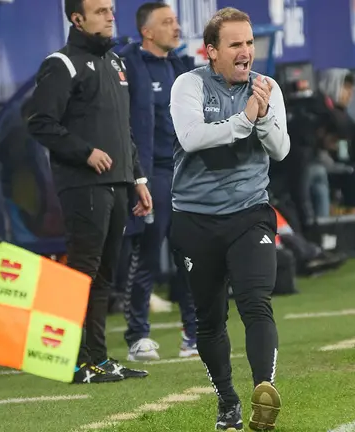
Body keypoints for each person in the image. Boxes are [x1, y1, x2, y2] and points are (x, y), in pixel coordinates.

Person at [169, 7, 290, 431]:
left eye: (250, 43)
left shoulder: (266, 88)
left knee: (256, 303)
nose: (246, 52)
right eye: (235, 44)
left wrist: (263, 118)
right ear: (212, 52)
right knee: (209, 318)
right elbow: (192, 137)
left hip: (250, 215)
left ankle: (264, 392)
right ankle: (226, 399)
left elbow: (280, 149)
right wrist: (244, 120)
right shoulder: (188, 85)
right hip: (195, 221)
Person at [25, 0, 153, 384]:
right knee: (82, 274)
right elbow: (39, 122)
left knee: (104, 277)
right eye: (100, 11)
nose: (110, 16)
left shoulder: (115, 62)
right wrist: (85, 153)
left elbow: (122, 128)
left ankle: (97, 360)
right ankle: (74, 361)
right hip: (83, 185)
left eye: (111, 9)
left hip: (117, 184)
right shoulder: (60, 64)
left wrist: (139, 178)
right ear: (77, 19)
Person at [117, 2, 197, 362]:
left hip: (187, 174)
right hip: (152, 176)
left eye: (176, 21)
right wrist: (137, 177)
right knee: (146, 254)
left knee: (192, 256)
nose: (176, 28)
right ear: (147, 32)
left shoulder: (184, 67)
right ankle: (138, 336)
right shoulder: (129, 65)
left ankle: (194, 334)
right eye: (167, 22)